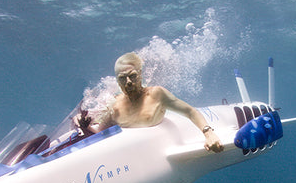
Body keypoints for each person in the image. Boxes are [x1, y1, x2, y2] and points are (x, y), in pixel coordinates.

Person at [85, 52, 224, 152]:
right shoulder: (114, 106)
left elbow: (190, 111)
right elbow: (99, 133)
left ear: (140, 74)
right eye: (122, 78)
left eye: (132, 76)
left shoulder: (156, 94)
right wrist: (85, 126)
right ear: (117, 81)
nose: (128, 82)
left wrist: (208, 133)